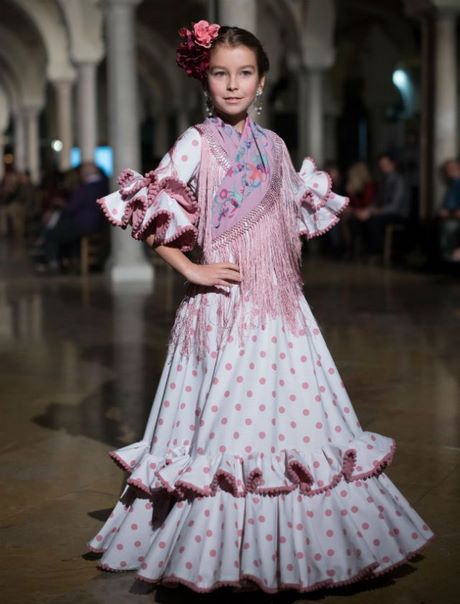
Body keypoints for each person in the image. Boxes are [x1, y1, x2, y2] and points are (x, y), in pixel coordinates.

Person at [86, 20, 433, 594]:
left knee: (292, 426)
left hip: (281, 312)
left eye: (244, 73)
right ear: (205, 80)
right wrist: (192, 267)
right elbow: (152, 211)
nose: (232, 84)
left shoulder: (275, 146)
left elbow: (287, 226)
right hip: (220, 309)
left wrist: (286, 283)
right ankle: (211, 551)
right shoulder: (196, 142)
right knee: (221, 432)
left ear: (262, 81)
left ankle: (301, 549)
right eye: (221, 73)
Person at [39, 162, 108, 272]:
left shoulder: (86, 187)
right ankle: (67, 260)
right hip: (98, 223)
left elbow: (71, 208)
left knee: (51, 233)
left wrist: (61, 203)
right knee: (60, 227)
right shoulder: (103, 184)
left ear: (84, 173)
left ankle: (53, 263)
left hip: (84, 224)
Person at [354, 153, 410, 258]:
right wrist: (366, 210)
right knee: (358, 219)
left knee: (373, 221)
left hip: (397, 215)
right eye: (381, 164)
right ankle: (362, 250)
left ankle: (378, 251)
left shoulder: (399, 181)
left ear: (392, 164)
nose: (382, 167)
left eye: (385, 164)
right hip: (383, 212)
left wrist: (372, 212)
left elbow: (395, 207)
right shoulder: (384, 180)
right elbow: (376, 202)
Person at [343, 161, 376, 258]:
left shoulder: (369, 186)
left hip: (369, 213)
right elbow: (354, 205)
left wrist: (352, 196)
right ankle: (349, 248)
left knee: (351, 221)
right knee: (346, 218)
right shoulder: (357, 187)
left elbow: (366, 204)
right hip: (359, 213)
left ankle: (353, 249)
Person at [437, 158, 460, 261]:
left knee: (450, 226)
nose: (449, 170)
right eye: (447, 168)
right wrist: (444, 210)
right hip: (450, 215)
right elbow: (446, 203)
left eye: (451, 168)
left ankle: (450, 256)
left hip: (455, 217)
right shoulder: (452, 184)